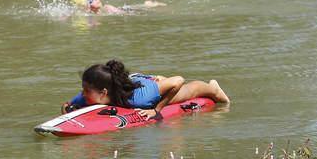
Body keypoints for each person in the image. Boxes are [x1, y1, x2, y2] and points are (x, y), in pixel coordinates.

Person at [62, 59, 230, 120]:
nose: (82, 94)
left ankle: (213, 88)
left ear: (103, 93)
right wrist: (67, 110)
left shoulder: (139, 99)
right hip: (132, 80)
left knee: (185, 92)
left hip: (143, 86)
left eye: (86, 90)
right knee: (156, 81)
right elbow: (68, 104)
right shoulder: (86, 96)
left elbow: (178, 80)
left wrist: (156, 110)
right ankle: (157, 79)